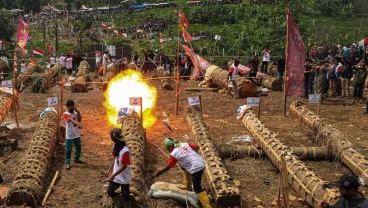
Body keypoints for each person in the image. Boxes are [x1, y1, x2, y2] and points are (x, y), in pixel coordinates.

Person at [153, 138, 212, 208]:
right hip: (200, 161)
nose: (167, 150)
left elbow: (168, 166)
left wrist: (159, 172)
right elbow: (196, 147)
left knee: (197, 187)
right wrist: (187, 152)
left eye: (167, 148)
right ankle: (188, 185)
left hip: (196, 168)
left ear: (170, 146)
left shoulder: (173, 154)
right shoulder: (184, 144)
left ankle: (207, 206)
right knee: (183, 166)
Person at [105, 128, 131, 208]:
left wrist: (113, 176)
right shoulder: (116, 146)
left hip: (124, 177)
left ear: (116, 138)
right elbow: (115, 159)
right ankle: (118, 203)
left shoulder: (125, 151)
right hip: (116, 175)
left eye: (112, 137)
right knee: (110, 191)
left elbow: (124, 166)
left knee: (126, 196)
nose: (111, 139)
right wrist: (109, 170)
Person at [63, 100, 83, 170]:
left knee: (78, 147)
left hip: (76, 134)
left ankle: (76, 159)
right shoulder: (65, 114)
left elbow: (79, 119)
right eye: (70, 107)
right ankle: (67, 163)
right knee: (68, 149)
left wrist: (78, 112)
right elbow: (71, 120)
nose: (71, 108)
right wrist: (78, 124)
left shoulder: (75, 113)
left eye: (72, 106)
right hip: (69, 135)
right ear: (67, 107)